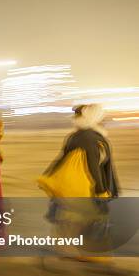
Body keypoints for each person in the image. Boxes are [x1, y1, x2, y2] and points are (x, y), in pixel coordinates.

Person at [38, 104, 119, 261]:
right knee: (83, 220)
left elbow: (61, 159)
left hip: (75, 188)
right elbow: (93, 167)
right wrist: (101, 190)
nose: (105, 121)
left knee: (70, 220)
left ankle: (65, 252)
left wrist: (48, 175)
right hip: (86, 188)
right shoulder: (91, 138)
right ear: (94, 117)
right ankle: (88, 255)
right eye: (102, 117)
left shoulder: (76, 136)